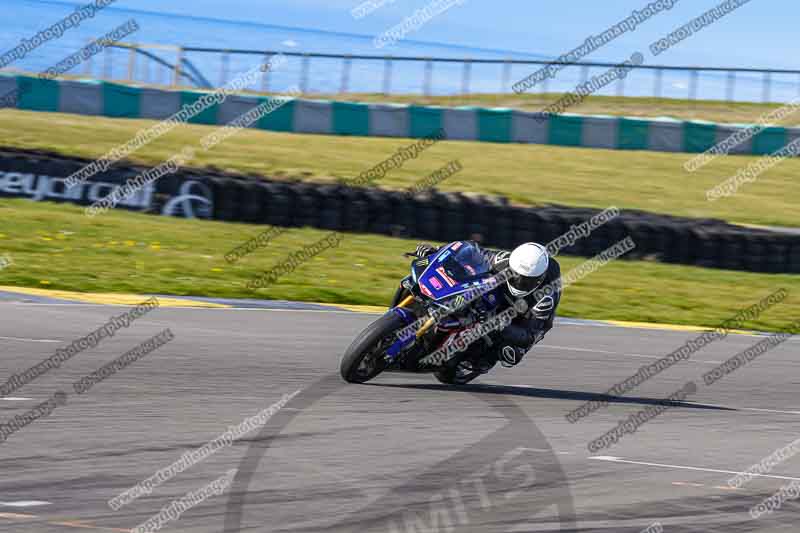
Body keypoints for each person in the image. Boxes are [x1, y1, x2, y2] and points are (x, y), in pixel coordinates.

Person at [412, 241, 561, 370]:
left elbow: (529, 335)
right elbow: (467, 252)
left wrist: (499, 324)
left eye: (525, 281)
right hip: (500, 290)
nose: (519, 282)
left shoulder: (544, 299)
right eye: (516, 276)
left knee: (512, 355)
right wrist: (436, 251)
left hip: (524, 316)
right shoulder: (503, 260)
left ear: (538, 280)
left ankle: (478, 360)